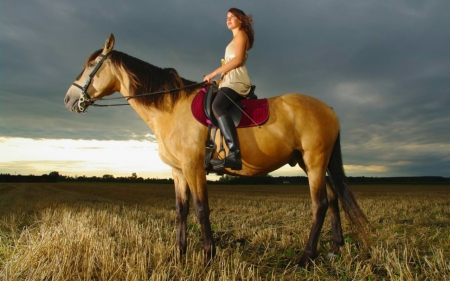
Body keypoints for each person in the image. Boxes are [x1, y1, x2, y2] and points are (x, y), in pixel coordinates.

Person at [203, 7, 254, 170]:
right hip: (228, 81)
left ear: (241, 20)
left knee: (217, 106)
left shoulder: (241, 35)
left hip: (237, 81)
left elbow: (238, 60)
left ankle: (234, 153)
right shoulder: (232, 41)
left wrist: (213, 72)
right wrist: (217, 81)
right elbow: (229, 68)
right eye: (227, 17)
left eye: (232, 16)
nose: (228, 19)